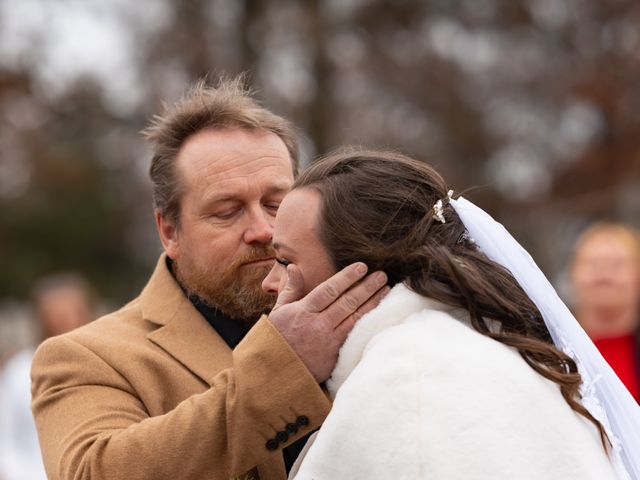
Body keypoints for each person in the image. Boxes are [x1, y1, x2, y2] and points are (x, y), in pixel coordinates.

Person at [30, 79, 388, 480]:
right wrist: (286, 368)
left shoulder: (371, 311)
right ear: (169, 231)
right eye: (226, 210)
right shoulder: (87, 357)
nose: (263, 230)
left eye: (276, 203)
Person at [261, 148, 640, 479]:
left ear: (359, 274)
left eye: (283, 259)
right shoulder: (472, 346)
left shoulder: (408, 386)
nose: (269, 283)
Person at [0, 273, 95, 480]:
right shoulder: (19, 371)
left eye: (73, 312)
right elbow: (5, 437)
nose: (67, 321)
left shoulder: (103, 365)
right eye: (57, 315)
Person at [570, 222, 640, 402]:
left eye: (618, 264)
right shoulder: (550, 352)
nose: (604, 273)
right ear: (573, 275)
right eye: (592, 264)